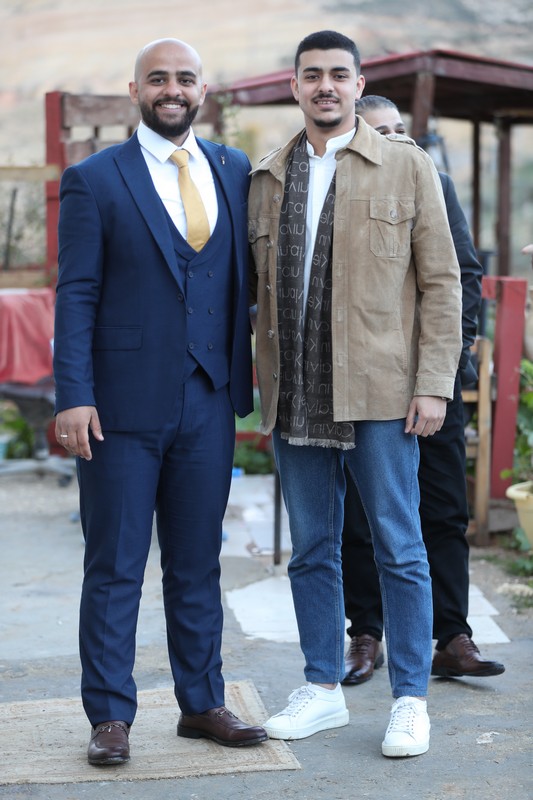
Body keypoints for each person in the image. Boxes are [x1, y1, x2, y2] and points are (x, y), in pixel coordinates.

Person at [53, 38, 267, 766]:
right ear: (135, 91)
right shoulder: (93, 178)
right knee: (115, 565)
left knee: (197, 561)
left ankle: (202, 703)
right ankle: (110, 716)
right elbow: (76, 293)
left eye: (184, 78)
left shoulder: (233, 169)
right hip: (117, 408)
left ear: (202, 90)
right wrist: (73, 395)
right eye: (157, 79)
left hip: (210, 398)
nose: (172, 89)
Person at [248, 30, 462, 758]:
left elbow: (441, 284)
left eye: (339, 74)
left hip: (382, 391)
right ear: (295, 86)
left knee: (400, 547)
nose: (325, 87)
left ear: (358, 83)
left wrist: (433, 385)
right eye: (312, 75)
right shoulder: (268, 177)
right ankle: (321, 687)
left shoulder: (406, 165)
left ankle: (410, 699)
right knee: (311, 549)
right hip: (296, 392)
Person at [341, 95, 505, 687]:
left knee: (443, 506)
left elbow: (464, 275)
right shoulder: (341, 191)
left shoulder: (435, 183)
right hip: (366, 377)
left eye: (400, 129)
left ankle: (452, 636)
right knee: (360, 513)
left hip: (432, 378)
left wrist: (452, 360)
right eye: (380, 131)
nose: (395, 139)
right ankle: (366, 633)